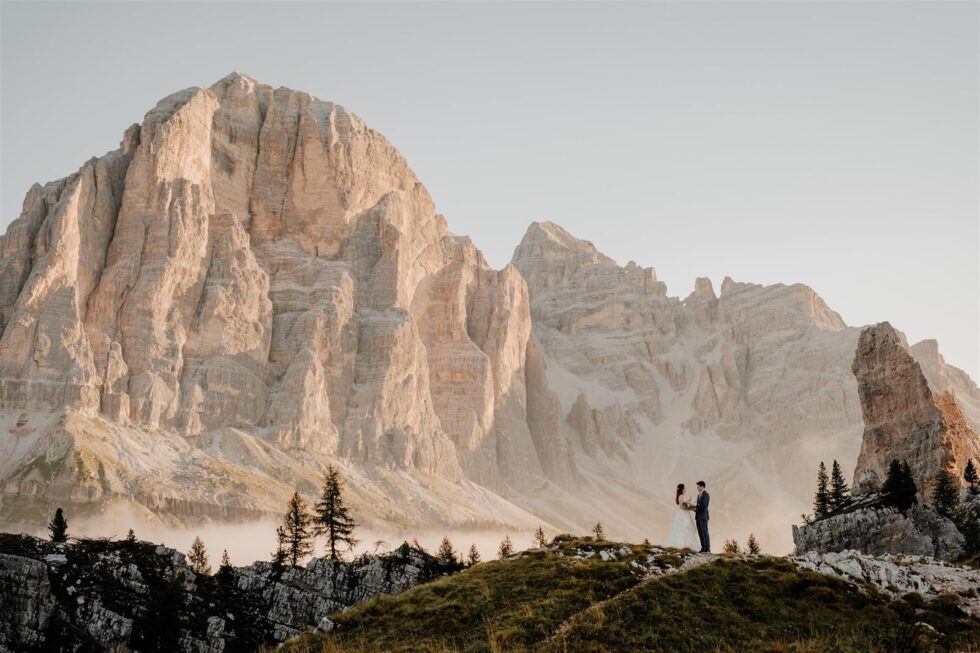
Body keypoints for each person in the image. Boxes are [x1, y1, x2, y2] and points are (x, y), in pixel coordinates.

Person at [665, 483, 700, 550]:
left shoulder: (681, 495)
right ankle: (682, 544)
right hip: (683, 513)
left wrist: (689, 507)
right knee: (683, 528)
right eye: (685, 488)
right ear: (682, 489)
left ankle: (687, 546)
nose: (685, 489)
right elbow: (681, 506)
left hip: (685, 513)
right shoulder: (681, 496)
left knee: (686, 528)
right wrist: (689, 508)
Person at [695, 480, 710, 553]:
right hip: (698, 517)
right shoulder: (698, 495)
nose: (697, 488)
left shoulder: (706, 495)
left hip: (703, 516)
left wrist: (695, 507)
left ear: (702, 486)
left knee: (705, 532)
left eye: (698, 487)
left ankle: (707, 547)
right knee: (700, 532)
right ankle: (703, 547)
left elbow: (704, 505)